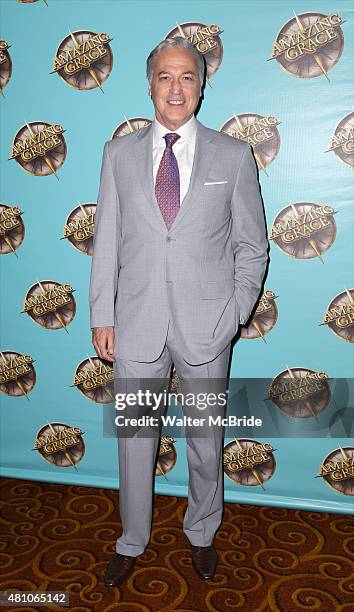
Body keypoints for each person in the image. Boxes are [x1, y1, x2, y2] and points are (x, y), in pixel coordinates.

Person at [89, 36, 269, 587]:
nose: (176, 87)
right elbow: (108, 240)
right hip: (136, 324)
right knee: (135, 443)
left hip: (207, 327)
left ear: (202, 85)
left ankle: (203, 530)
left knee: (205, 440)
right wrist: (103, 314)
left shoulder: (233, 156)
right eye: (165, 76)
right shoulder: (118, 155)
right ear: (149, 85)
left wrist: (234, 314)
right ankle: (132, 539)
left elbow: (252, 246)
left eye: (187, 76)